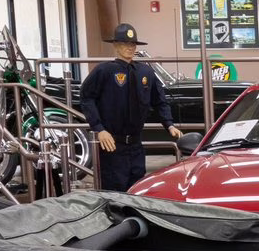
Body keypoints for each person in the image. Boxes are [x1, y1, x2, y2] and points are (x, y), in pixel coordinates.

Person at [78, 23, 182, 192]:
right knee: (114, 190)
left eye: (132, 44)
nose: (129, 48)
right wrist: (99, 128)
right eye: (125, 44)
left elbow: (159, 100)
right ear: (116, 45)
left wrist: (168, 124)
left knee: (137, 187)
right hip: (112, 144)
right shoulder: (104, 71)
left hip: (136, 144)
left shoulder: (145, 73)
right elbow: (86, 98)